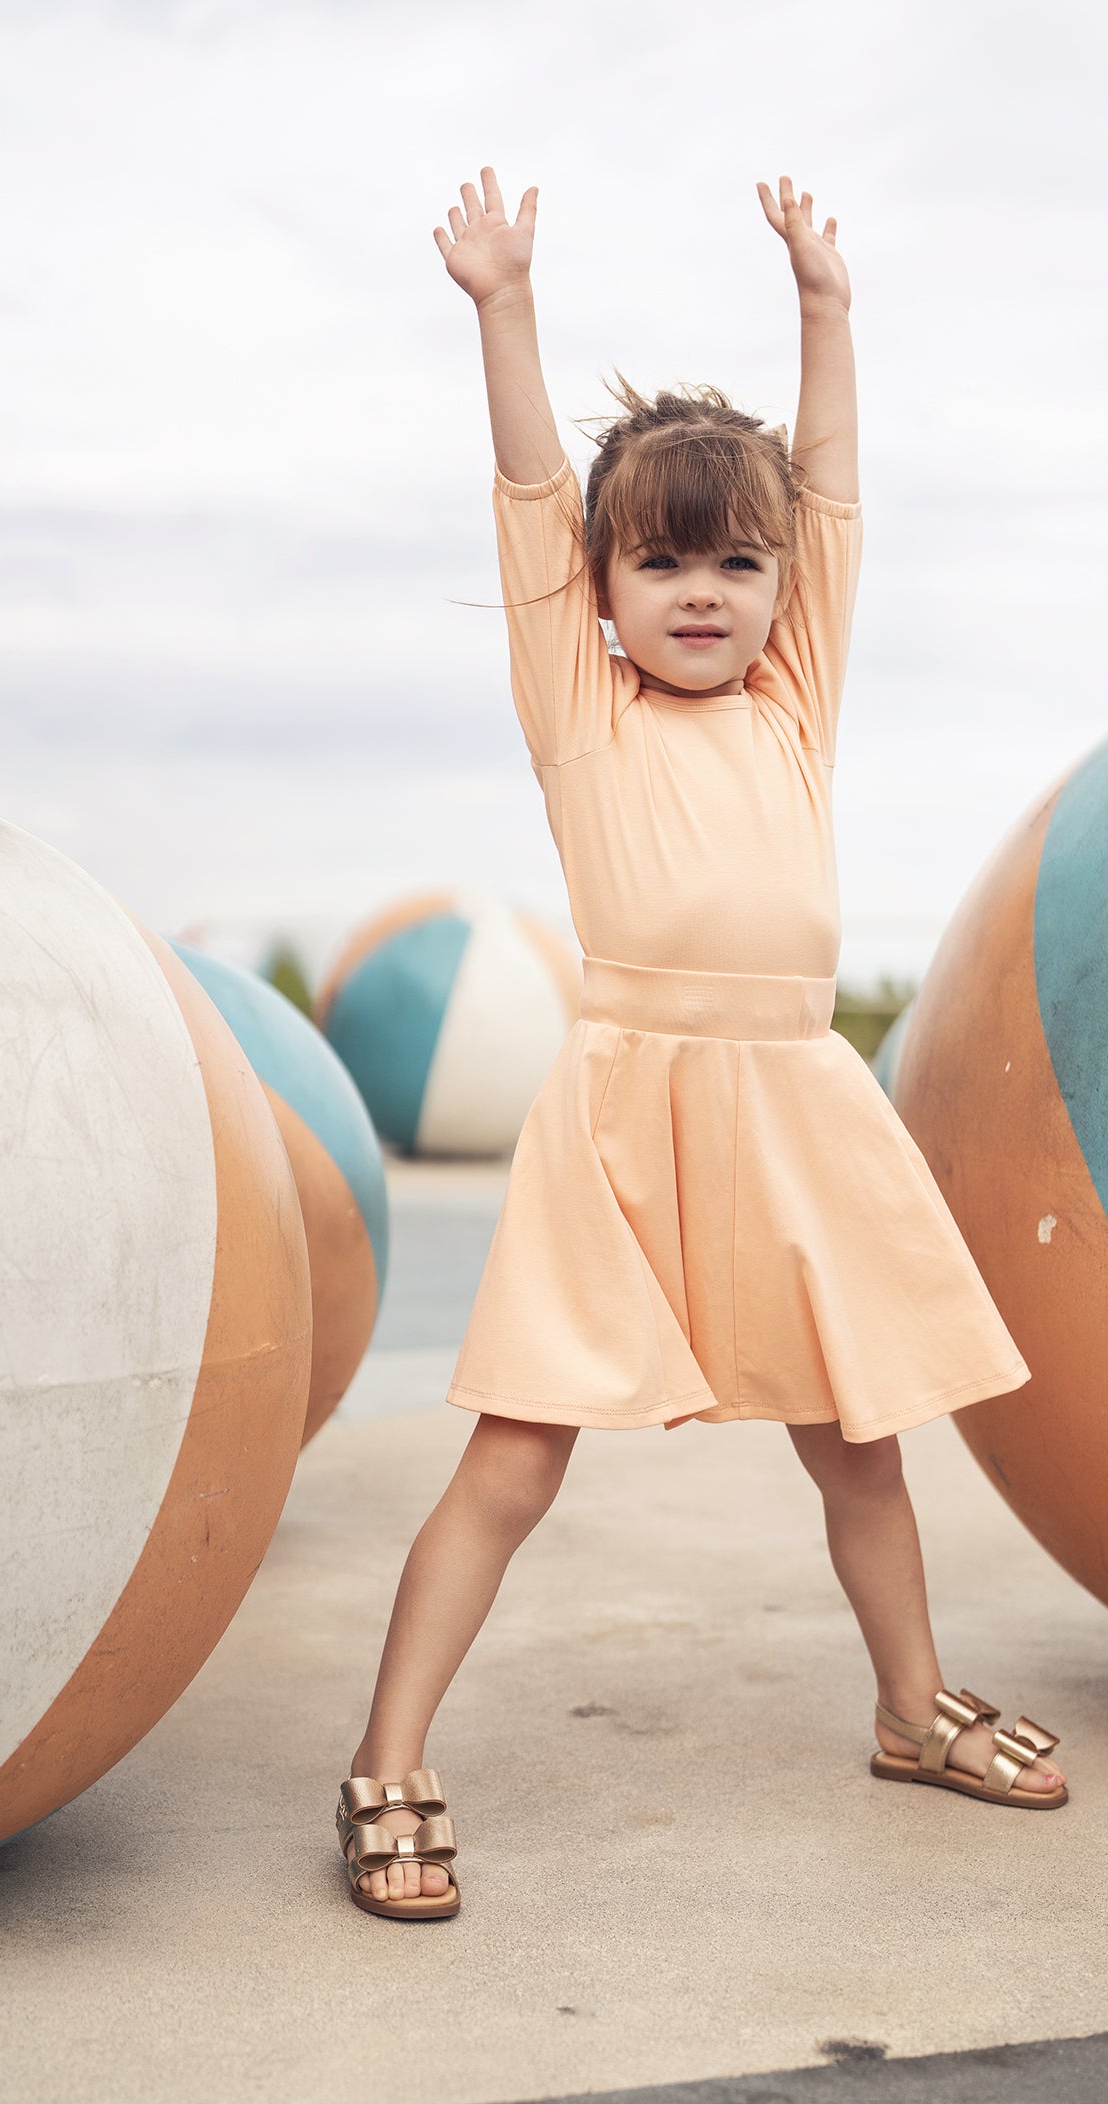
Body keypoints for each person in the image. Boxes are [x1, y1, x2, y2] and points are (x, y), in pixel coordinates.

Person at [336, 167, 1067, 1921]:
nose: (706, 591)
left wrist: (826, 308)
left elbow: (835, 497)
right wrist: (504, 308)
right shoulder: (579, 706)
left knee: (859, 1446)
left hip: (790, 1116)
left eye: (737, 562)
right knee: (516, 1460)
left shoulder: (794, 704)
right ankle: (390, 1759)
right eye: (660, 558)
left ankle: (907, 1710)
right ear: (599, 585)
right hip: (622, 1120)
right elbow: (528, 490)